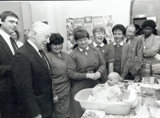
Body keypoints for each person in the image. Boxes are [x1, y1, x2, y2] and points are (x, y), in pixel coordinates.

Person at [11, 21, 53, 118]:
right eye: (46, 37)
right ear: (34, 34)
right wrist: (35, 113)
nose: (48, 41)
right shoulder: (22, 55)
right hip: (37, 111)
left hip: (46, 107)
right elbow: (24, 89)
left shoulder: (39, 51)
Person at [68, 29, 106, 118]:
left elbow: (102, 64)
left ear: (88, 39)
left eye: (85, 39)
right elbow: (70, 73)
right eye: (80, 40)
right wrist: (87, 75)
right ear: (76, 41)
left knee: (95, 111)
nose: (83, 42)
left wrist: (99, 72)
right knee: (81, 113)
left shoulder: (95, 50)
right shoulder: (73, 54)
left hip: (94, 84)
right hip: (80, 86)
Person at [46, 33, 71, 118]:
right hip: (58, 92)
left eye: (59, 44)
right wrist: (54, 94)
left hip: (68, 90)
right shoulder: (47, 57)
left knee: (68, 113)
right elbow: (47, 78)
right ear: (50, 45)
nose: (58, 47)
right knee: (60, 114)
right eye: (54, 44)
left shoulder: (65, 55)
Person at [0, 11, 19, 118]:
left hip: (15, 89)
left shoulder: (11, 39)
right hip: (4, 91)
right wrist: (15, 68)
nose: (15, 25)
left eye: (16, 22)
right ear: (1, 21)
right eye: (11, 21)